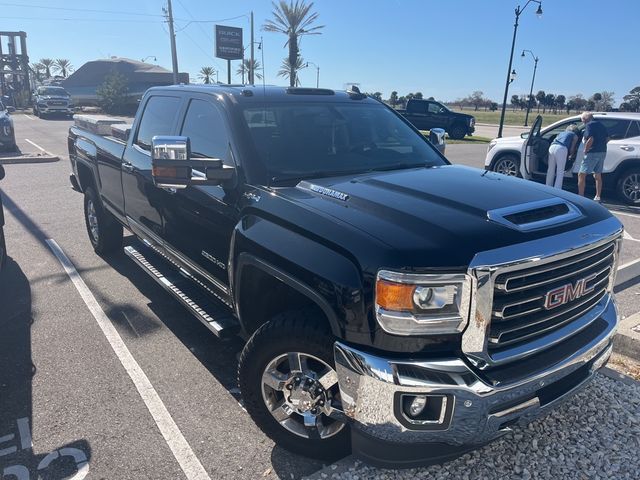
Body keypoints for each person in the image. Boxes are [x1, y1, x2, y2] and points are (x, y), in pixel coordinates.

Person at [578, 112, 608, 201]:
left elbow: (591, 139)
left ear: (585, 120)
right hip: (602, 151)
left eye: (582, 120)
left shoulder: (589, 125)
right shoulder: (601, 125)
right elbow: (607, 138)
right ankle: (598, 196)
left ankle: (580, 196)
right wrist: (601, 145)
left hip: (592, 152)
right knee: (597, 174)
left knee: (581, 174)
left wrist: (585, 150)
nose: (582, 122)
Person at [546, 125, 578, 189]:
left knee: (550, 170)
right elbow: (572, 148)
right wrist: (571, 155)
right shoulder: (575, 135)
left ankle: (548, 187)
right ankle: (557, 189)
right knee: (560, 171)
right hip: (561, 148)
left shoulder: (561, 133)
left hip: (552, 147)